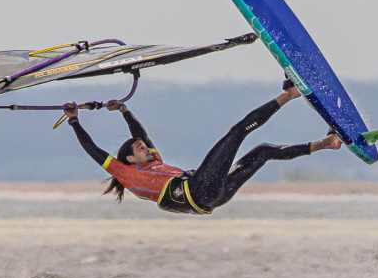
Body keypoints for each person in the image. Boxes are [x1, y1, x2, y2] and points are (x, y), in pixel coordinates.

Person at [63, 80, 341, 214]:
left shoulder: (153, 163)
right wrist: (74, 120)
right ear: (128, 158)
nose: (146, 147)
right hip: (198, 189)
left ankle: (328, 143)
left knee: (264, 151)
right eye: (139, 148)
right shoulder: (127, 173)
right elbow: (92, 149)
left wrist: (124, 109)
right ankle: (290, 94)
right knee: (237, 132)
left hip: (213, 198)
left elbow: (139, 133)